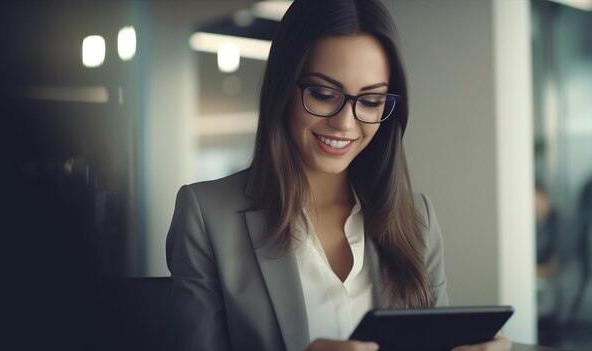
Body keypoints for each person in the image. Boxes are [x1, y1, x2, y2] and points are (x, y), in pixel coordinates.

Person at [166, 0, 512, 350]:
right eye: (323, 93)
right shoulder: (207, 216)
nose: (345, 123)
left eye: (371, 101)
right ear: (283, 88)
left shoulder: (417, 219)